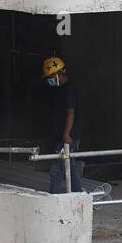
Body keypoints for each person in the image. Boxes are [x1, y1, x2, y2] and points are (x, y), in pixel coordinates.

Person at [42, 56, 83, 193]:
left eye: (51, 77)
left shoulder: (69, 90)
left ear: (58, 74)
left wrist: (66, 134)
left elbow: (71, 112)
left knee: (57, 170)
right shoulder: (61, 90)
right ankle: (79, 196)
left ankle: (54, 200)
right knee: (68, 168)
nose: (50, 80)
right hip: (62, 140)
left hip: (67, 140)